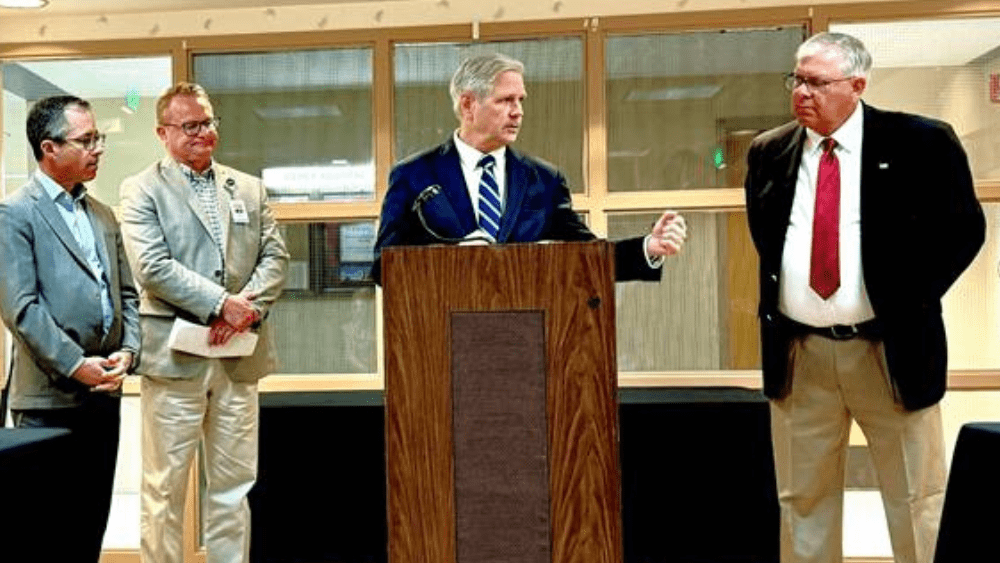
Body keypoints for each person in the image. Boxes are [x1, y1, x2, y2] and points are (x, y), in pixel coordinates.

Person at [744, 32, 985, 563]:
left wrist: (910, 301)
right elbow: (768, 240)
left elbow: (964, 230)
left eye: (817, 82)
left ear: (857, 84)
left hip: (889, 351)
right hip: (800, 355)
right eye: (796, 79)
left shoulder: (922, 141)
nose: (801, 92)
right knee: (803, 502)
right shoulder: (768, 151)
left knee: (915, 498)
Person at [119, 82, 288, 563]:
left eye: (208, 122)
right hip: (175, 358)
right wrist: (220, 304)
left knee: (234, 486)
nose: (203, 133)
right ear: (163, 132)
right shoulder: (142, 188)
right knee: (164, 490)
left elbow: (275, 256)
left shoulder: (248, 188)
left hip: (238, 357)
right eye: (190, 125)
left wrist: (247, 309)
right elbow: (152, 266)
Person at [373, 53, 687, 283]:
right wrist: (453, 261)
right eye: (505, 100)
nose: (518, 112)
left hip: (526, 339)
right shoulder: (414, 175)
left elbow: (586, 255)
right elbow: (382, 268)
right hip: (438, 338)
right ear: (468, 105)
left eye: (521, 100)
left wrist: (649, 247)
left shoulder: (544, 180)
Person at [0, 95, 140, 562]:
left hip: (103, 397)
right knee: (45, 534)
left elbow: (128, 296)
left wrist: (129, 351)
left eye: (97, 138)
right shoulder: (15, 214)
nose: (98, 148)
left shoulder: (101, 214)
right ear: (49, 148)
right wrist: (76, 364)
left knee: (88, 528)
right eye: (86, 140)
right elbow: (21, 309)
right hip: (47, 401)